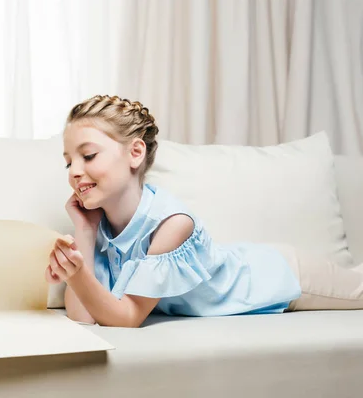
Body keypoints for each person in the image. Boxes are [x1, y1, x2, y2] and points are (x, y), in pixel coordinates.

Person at [45, 94, 363, 328]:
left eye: (87, 156)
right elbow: (83, 315)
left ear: (135, 152)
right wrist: (84, 232)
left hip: (281, 277)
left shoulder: (171, 223)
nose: (74, 170)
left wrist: (77, 274)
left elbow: (127, 316)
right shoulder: (100, 226)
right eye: (68, 161)